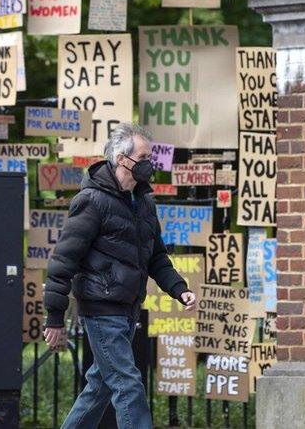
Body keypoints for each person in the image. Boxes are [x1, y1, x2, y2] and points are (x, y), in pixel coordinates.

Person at [43, 123, 197, 429]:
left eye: (150, 157)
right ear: (122, 159)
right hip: (101, 309)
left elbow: (156, 257)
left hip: (128, 309)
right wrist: (54, 317)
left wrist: (179, 289)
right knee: (128, 386)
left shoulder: (145, 202)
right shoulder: (92, 200)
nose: (149, 164)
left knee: (99, 388)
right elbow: (63, 260)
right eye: (143, 157)